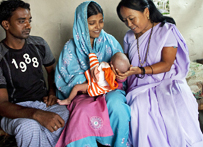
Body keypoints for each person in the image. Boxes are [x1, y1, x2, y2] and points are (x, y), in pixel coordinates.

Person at [115, 0, 203, 146]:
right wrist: (123, 72)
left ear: (146, 12)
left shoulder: (167, 30)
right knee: (138, 108)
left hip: (167, 81)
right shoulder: (128, 37)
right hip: (140, 85)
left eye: (131, 18)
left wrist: (140, 70)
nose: (129, 24)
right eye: (125, 21)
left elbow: (167, 64)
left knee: (177, 101)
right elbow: (128, 62)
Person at [0, 0, 69, 146]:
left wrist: (52, 92)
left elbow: (52, 72)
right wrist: (37, 115)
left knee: (67, 115)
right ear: (6, 24)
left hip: (44, 104)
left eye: (29, 20)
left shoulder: (39, 44)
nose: (28, 26)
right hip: (16, 112)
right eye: (21, 21)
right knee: (29, 127)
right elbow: (2, 105)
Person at [55, 1, 131, 147]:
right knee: (82, 112)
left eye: (101, 21)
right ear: (81, 23)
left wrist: (115, 76)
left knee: (117, 106)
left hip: (109, 89)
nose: (98, 26)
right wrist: (93, 81)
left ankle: (119, 144)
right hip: (83, 92)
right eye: (92, 23)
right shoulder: (70, 48)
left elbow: (122, 67)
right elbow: (66, 76)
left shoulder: (110, 41)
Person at [57, 52, 131, 105]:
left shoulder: (105, 66)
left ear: (111, 62)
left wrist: (92, 56)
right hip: (96, 89)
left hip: (92, 86)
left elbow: (94, 67)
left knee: (76, 87)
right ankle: (70, 100)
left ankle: (68, 100)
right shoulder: (111, 76)